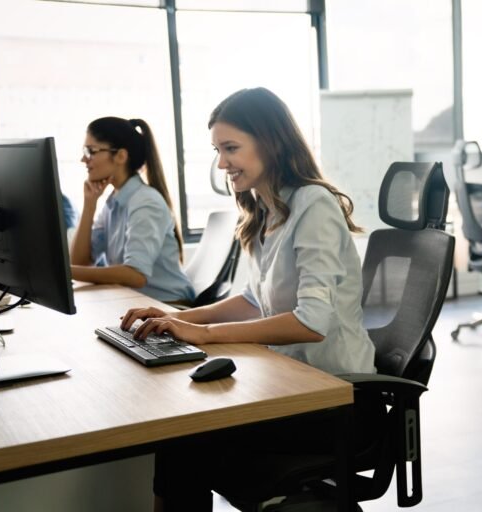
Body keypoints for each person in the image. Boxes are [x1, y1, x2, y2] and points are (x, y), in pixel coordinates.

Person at [118, 87, 377, 511]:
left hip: (336, 399)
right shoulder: (265, 209)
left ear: (270, 142)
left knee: (184, 444)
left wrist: (204, 332)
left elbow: (313, 322)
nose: (222, 163)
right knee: (179, 440)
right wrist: (173, 318)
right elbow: (254, 300)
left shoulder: (314, 205)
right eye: (218, 150)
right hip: (290, 387)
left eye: (231, 148)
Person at [69, 117, 194, 305]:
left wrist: (63, 271)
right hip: (138, 303)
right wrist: (89, 205)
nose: (83, 159)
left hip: (170, 306)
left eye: (91, 151)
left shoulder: (145, 202)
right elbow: (80, 262)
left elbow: (135, 275)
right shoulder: (114, 201)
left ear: (120, 156)